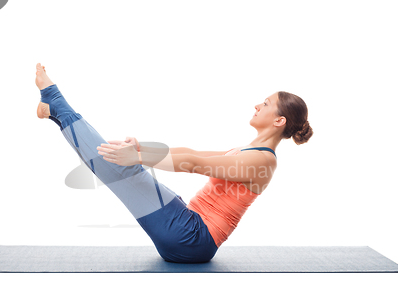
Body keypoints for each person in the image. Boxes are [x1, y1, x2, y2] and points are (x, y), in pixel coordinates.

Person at [34, 63, 313, 263]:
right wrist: (140, 148)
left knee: (121, 169)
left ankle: (56, 103)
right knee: (124, 167)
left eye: (265, 104)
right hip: (189, 227)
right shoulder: (249, 150)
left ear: (279, 121)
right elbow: (195, 153)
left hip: (192, 238)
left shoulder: (261, 161)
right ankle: (55, 112)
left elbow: (193, 164)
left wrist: (139, 158)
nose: (257, 106)